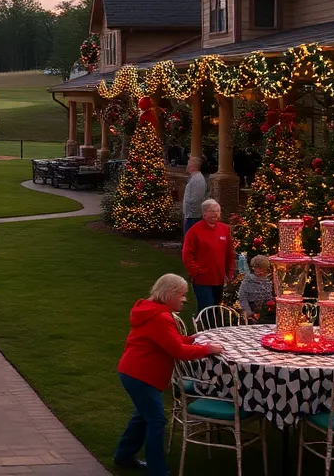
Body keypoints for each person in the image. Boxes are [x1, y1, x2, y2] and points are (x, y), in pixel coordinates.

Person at [114, 273, 224, 472]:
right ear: (170, 294)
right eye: (182, 294)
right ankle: (157, 470)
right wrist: (207, 349)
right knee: (156, 420)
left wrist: (193, 339)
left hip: (133, 372)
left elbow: (170, 341)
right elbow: (178, 351)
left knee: (142, 416)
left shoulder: (152, 311)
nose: (185, 299)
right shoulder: (160, 318)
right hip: (141, 376)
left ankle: (123, 456)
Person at [181, 199, 236, 312]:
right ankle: (202, 327)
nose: (215, 214)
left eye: (217, 211)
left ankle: (215, 329)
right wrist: (196, 271)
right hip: (203, 279)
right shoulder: (194, 231)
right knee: (206, 309)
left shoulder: (224, 229)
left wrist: (230, 273)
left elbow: (230, 253)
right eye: (212, 211)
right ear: (204, 213)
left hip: (220, 278)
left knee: (217, 309)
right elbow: (187, 254)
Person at [237, 254, 274, 324]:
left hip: (269, 313)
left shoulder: (271, 280)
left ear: (266, 268)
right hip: (252, 313)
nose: (257, 269)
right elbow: (242, 298)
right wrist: (250, 314)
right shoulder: (248, 280)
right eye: (255, 267)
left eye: (260, 268)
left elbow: (275, 296)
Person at [181, 157, 207, 235]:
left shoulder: (198, 179)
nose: (187, 166)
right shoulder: (194, 178)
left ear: (193, 166)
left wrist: (189, 213)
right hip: (190, 216)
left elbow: (196, 199)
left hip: (193, 217)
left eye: (189, 164)